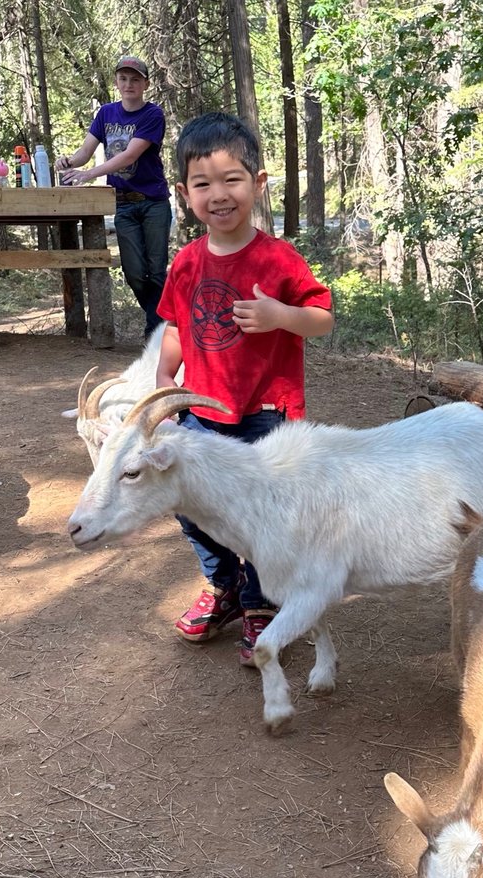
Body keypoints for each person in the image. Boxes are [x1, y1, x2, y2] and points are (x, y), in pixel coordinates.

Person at [156, 111, 334, 667]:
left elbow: (322, 319)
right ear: (185, 195)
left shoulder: (278, 258)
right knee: (188, 503)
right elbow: (175, 327)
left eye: (232, 179)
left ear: (256, 185)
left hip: (267, 414)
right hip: (202, 414)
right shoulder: (186, 263)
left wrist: (283, 314)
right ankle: (224, 584)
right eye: (203, 184)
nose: (218, 194)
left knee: (263, 516)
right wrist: (164, 383)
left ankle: (261, 601)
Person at [55, 56, 172, 337]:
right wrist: (69, 162)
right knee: (133, 272)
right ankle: (164, 320)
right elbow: (85, 152)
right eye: (123, 78)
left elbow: (130, 155)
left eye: (135, 79)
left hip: (153, 201)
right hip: (122, 203)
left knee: (156, 271)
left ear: (145, 83)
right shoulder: (106, 113)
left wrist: (89, 175)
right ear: (117, 82)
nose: (128, 84)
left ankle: (156, 332)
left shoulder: (152, 115)